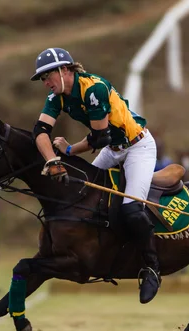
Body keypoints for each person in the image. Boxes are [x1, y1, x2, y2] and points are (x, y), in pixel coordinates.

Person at [30, 47, 161, 304]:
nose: (46, 82)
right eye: (43, 79)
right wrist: (52, 160)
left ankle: (152, 268)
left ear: (65, 70)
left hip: (137, 147)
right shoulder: (56, 97)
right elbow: (40, 130)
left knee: (132, 210)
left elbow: (101, 137)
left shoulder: (93, 89)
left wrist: (69, 149)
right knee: (83, 199)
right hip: (113, 150)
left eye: (48, 76)